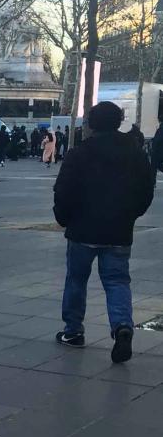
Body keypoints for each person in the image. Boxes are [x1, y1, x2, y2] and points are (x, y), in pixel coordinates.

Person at [53, 101, 156, 363]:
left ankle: (73, 331)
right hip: (119, 229)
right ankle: (122, 326)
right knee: (117, 281)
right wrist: (133, 214)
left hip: (82, 228)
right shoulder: (135, 153)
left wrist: (63, 217)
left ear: (92, 124)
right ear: (119, 122)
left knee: (76, 280)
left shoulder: (80, 153)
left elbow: (64, 189)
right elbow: (146, 188)